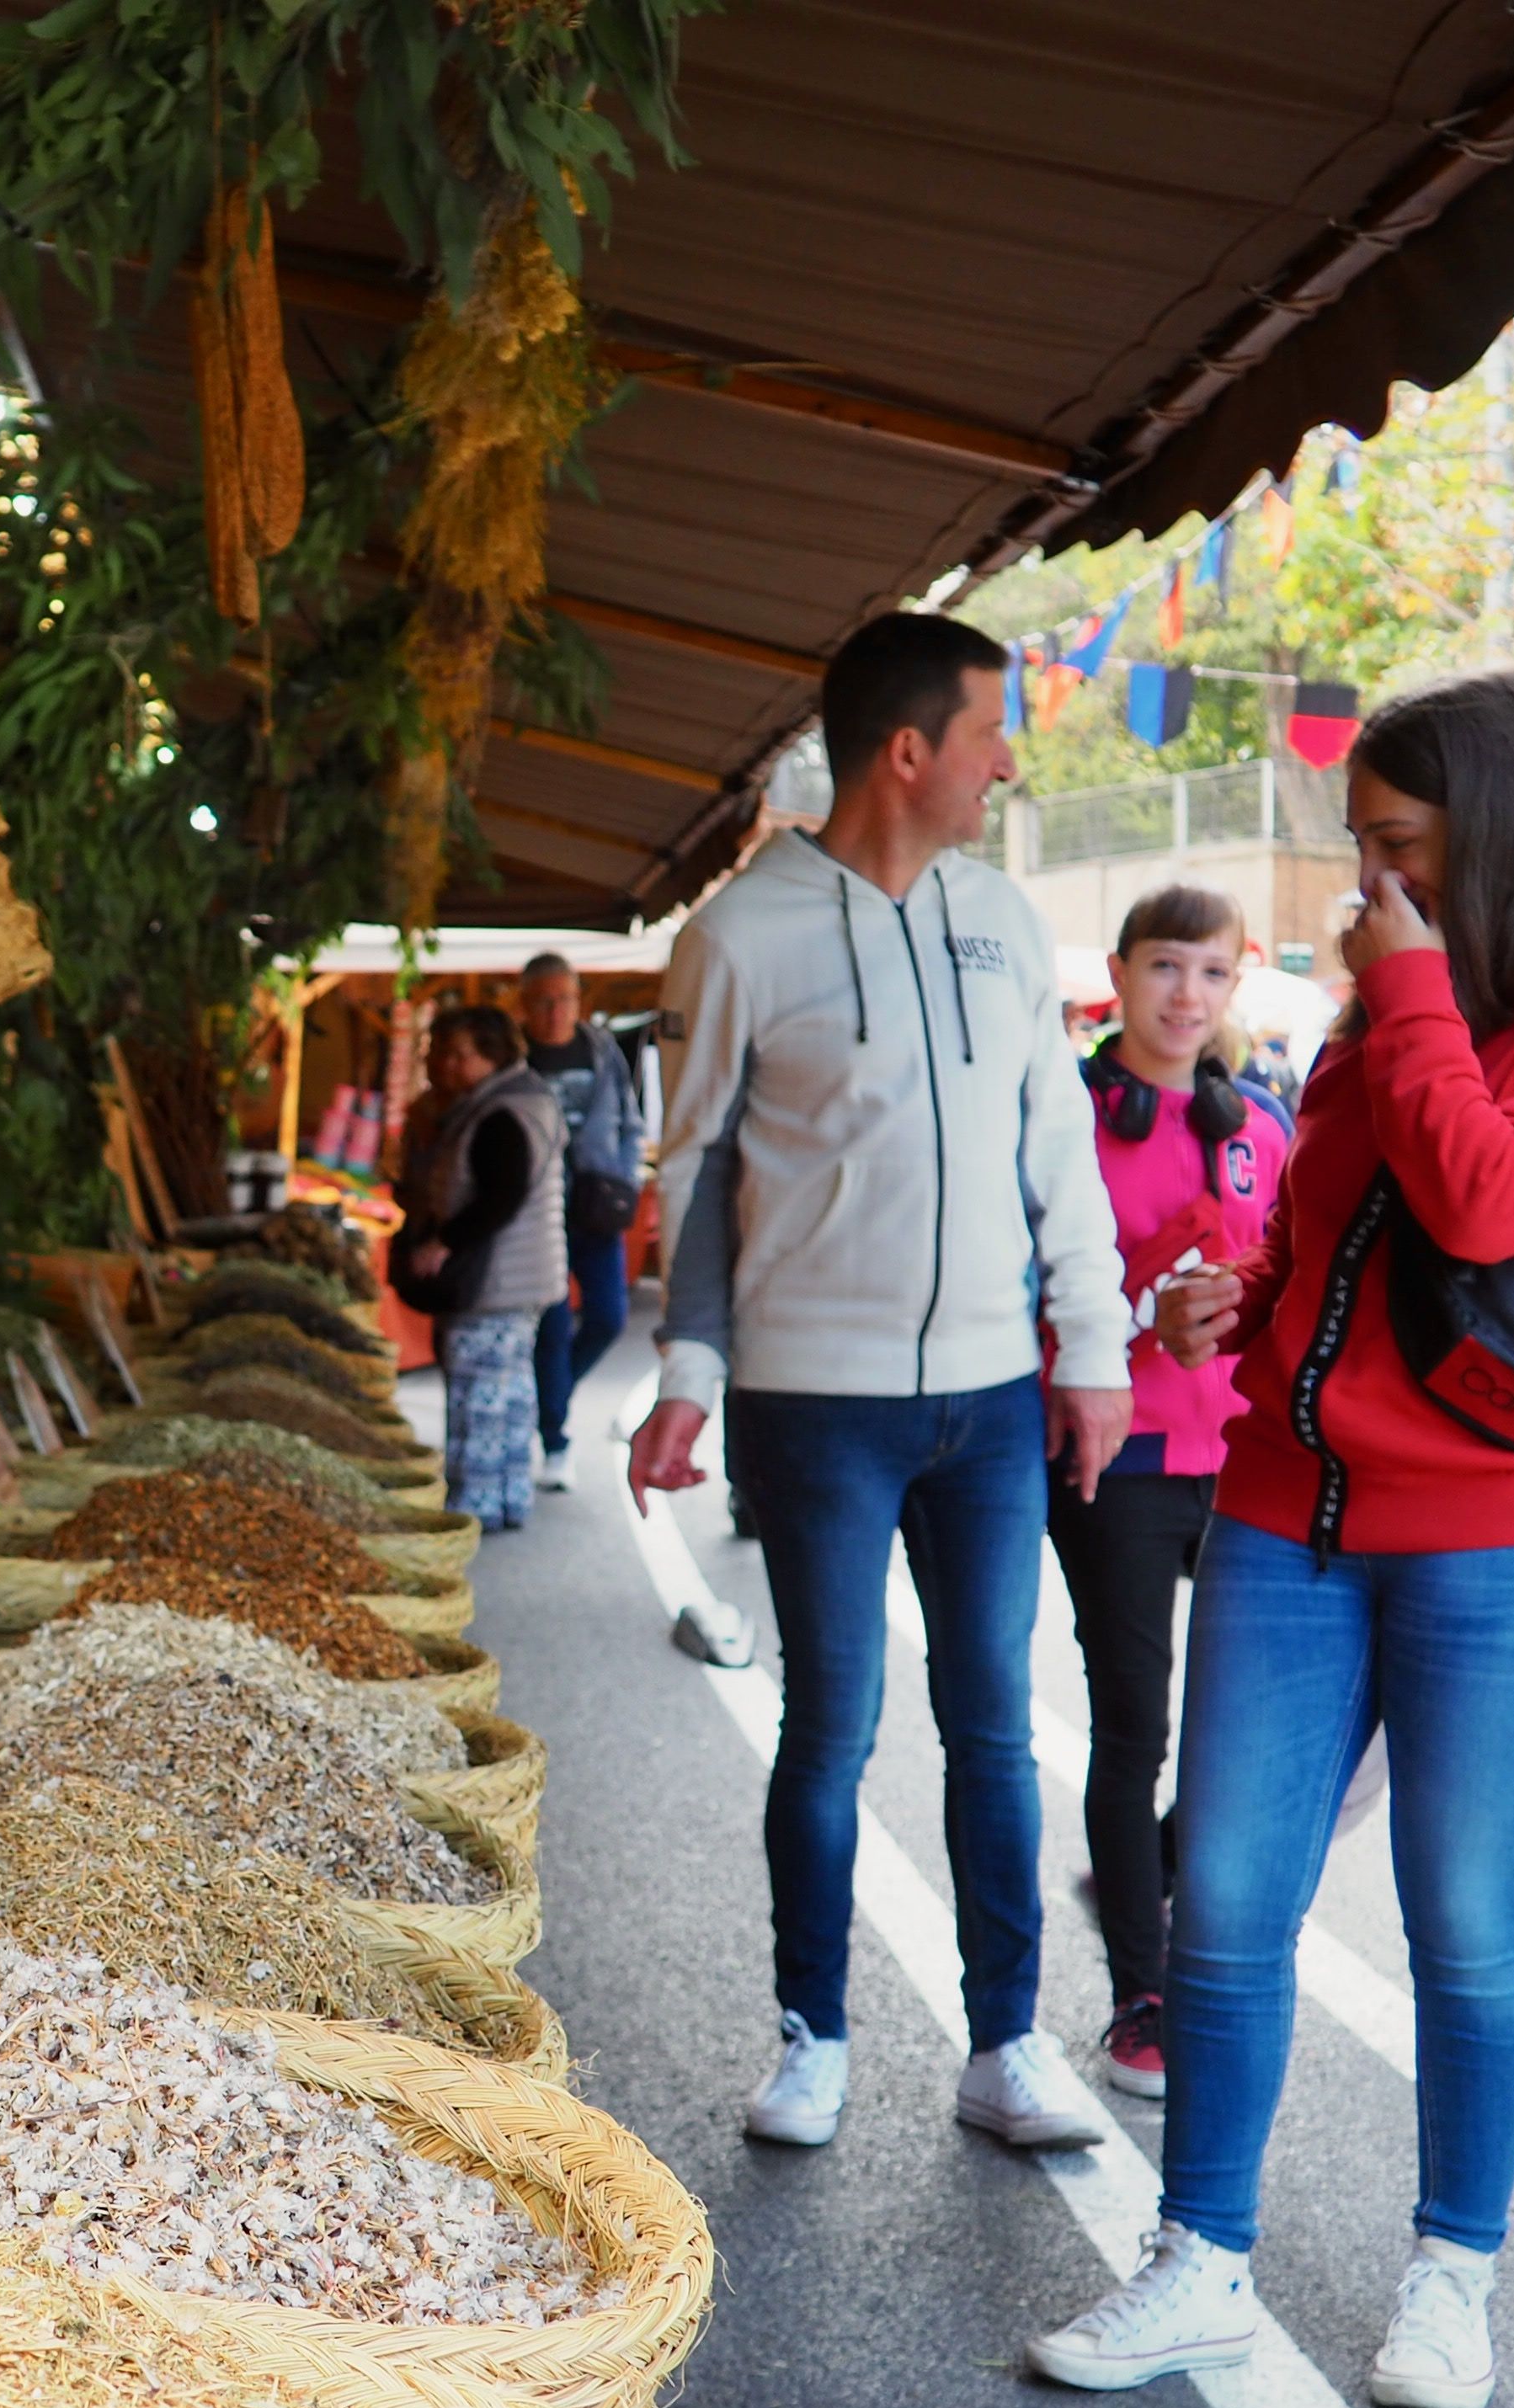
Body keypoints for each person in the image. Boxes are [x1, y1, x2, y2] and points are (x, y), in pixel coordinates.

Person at [1024, 669, 1514, 2408]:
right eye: (1365, 856)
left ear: (1500, 832)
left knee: (1469, 1926)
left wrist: (1402, 994)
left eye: (1398, 850)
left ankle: (1454, 2276)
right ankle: (1200, 2261)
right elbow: (1337, 1242)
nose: (1368, 889)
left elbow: (1483, 1193)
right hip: (1284, 1520)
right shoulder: (1384, 1008)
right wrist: (1224, 1300)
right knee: (1226, 1904)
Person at [627, 610, 1129, 2158]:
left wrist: (1091, 1351)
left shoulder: (1006, 919)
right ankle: (812, 2032)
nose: (1006, 763)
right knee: (828, 1724)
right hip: (811, 1401)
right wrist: (688, 1371)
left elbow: (1057, 1144)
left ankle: (1004, 2042)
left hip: (987, 1400)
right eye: (988, 734)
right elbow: (695, 1170)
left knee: (991, 1720)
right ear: (906, 752)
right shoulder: (736, 936)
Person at [1049, 883, 1293, 2103]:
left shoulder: (1260, 1125)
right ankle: (1141, 1997)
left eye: (1209, 972)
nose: (1186, 996)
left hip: (1250, 1459)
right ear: (1120, 971)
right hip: (1122, 1457)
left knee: (1247, 1737)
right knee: (1134, 1726)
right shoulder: (1068, 1118)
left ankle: (1139, 1882)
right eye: (1164, 968)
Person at [393, 1002, 567, 1531]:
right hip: (525, 1276)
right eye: (439, 1052)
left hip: (496, 1278)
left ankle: (475, 1508)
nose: (445, 1064)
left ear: (491, 1055)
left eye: (458, 1054)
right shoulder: (522, 1097)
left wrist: (442, 1242)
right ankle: (508, 1496)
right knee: (509, 1391)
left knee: (479, 1397)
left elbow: (500, 1197)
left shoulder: (501, 1113)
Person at [516, 952, 645, 1494]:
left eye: (564, 998)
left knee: (610, 1316)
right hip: (538, 1208)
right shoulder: (515, 1056)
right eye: (544, 1000)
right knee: (549, 1322)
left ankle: (550, 1396)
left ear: (577, 1000)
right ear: (525, 1004)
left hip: (596, 1203)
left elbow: (630, 1119)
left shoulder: (600, 1049)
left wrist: (625, 1173)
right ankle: (556, 1439)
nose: (555, 1010)